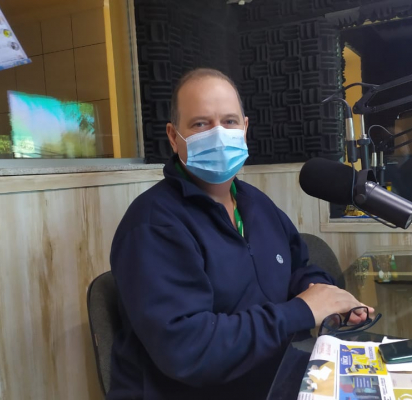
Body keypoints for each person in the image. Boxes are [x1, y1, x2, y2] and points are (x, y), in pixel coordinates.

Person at [108, 68, 372, 400]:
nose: (218, 134)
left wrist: (324, 297)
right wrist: (301, 311)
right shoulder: (153, 225)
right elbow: (190, 350)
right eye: (200, 124)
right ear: (174, 137)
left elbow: (296, 268)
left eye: (229, 121)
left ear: (245, 128)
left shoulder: (256, 204)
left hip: (276, 377)